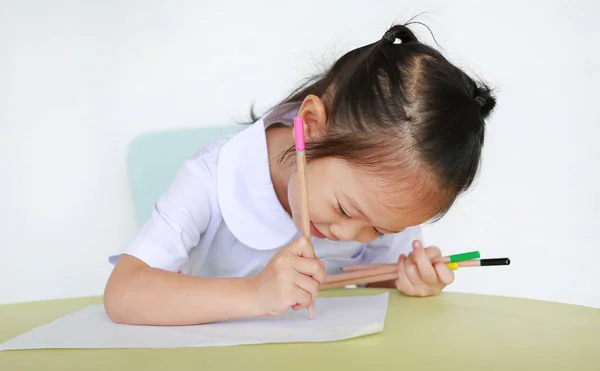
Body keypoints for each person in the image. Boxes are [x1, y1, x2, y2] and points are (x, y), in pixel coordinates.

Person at [104, 23, 497, 325]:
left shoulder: (379, 200)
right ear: (309, 126)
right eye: (344, 209)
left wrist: (404, 278)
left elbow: (372, 276)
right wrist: (255, 295)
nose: (348, 234)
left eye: (378, 230)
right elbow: (123, 293)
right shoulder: (211, 177)